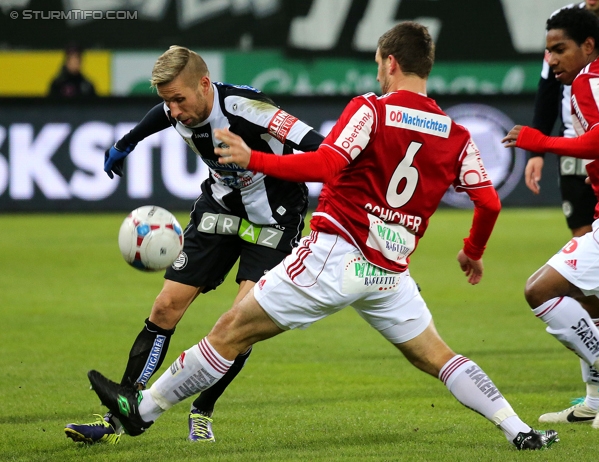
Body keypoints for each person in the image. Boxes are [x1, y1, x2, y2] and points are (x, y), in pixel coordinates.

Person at [85, 22, 559, 450]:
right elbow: (489, 202)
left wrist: (257, 160)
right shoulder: (456, 134)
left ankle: (139, 411)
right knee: (440, 357)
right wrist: (472, 251)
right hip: (388, 272)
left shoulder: (371, 110)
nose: (378, 74)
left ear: (390, 62)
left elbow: (327, 163)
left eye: (378, 64)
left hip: (335, 255)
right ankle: (518, 429)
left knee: (229, 332)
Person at [64, 46, 324, 444]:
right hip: (219, 209)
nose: (174, 111)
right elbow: (161, 114)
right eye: (166, 101)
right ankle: (117, 416)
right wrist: (128, 141)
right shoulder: (175, 105)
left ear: (205, 85)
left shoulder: (248, 109)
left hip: (274, 219)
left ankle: (203, 409)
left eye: (179, 99)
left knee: (241, 323)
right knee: (165, 306)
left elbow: (318, 145)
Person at [502, 6, 599, 429]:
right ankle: (592, 399)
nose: (552, 59)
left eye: (559, 49)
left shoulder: (590, 80)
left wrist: (540, 141)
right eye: (547, 51)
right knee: (592, 301)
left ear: (587, 45)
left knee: (539, 291)